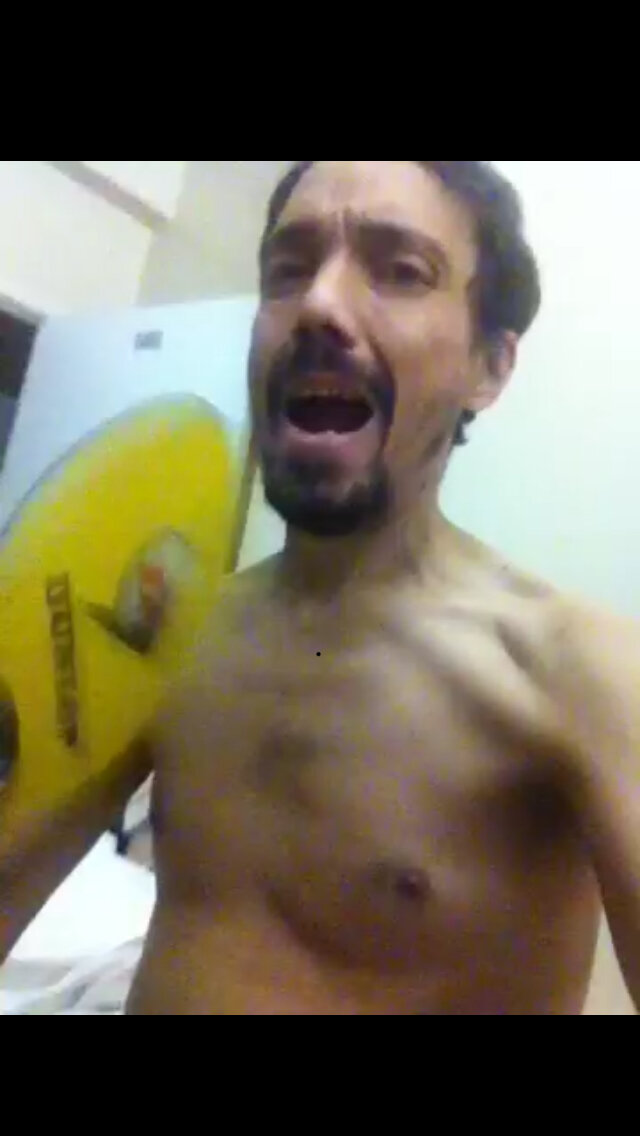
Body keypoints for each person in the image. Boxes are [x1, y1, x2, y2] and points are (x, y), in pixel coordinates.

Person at [3, 160, 640, 1015]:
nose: (319, 304)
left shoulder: (577, 671)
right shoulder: (175, 635)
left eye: (400, 270)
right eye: (289, 268)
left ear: (489, 366)